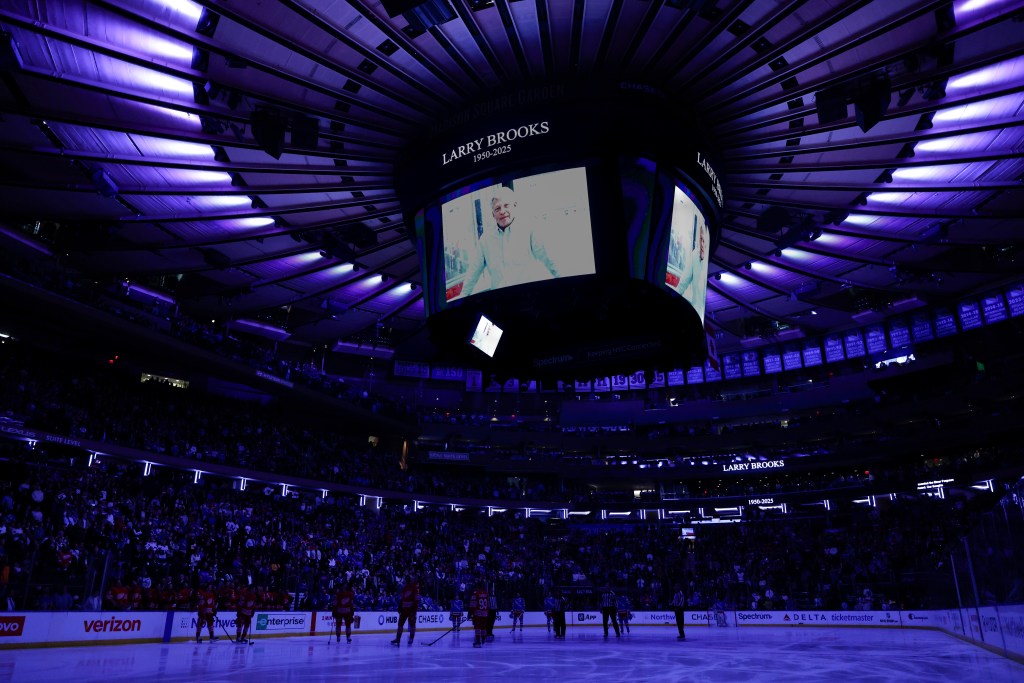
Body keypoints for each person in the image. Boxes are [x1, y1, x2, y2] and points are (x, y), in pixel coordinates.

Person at [459, 187, 560, 297]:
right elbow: (473, 272)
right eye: (497, 209)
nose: (502, 211)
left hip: (528, 297)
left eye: (506, 206)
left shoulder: (529, 229)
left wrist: (566, 284)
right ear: (493, 214)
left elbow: (549, 259)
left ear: (515, 206)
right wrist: (461, 299)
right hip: (501, 302)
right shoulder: (485, 239)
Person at [391, 574, 419, 646]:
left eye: (407, 579)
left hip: (411, 610)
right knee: (400, 623)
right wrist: (400, 606)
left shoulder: (414, 588)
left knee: (412, 624)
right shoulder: (404, 588)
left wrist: (414, 610)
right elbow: (402, 598)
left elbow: (416, 600)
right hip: (404, 609)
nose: (405, 581)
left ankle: (411, 638)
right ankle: (398, 639)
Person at [470, 581, 489, 648]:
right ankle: (483, 639)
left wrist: (471, 613)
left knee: (477, 627)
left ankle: (478, 641)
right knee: (483, 627)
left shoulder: (475, 593)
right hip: (485, 613)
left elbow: (473, 604)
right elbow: (488, 604)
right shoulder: (486, 593)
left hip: (477, 614)